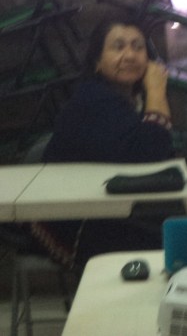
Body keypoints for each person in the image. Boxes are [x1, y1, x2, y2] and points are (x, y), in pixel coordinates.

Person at [33, 16, 176, 269]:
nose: (130, 55)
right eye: (118, 47)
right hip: (74, 221)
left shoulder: (125, 98)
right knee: (173, 238)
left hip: (103, 203)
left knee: (175, 220)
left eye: (138, 47)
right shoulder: (94, 100)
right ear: (97, 62)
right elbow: (150, 152)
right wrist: (156, 90)